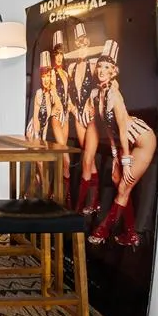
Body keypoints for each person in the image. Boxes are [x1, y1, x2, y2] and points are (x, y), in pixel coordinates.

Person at [85, 40, 156, 247]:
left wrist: (125, 162)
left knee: (124, 186)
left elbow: (123, 130)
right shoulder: (99, 94)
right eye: (100, 66)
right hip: (126, 143)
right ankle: (131, 234)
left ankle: (103, 230)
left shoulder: (115, 95)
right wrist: (116, 157)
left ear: (113, 71)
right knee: (120, 183)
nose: (101, 70)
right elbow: (110, 130)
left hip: (143, 140)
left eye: (107, 67)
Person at [67, 23, 100, 214]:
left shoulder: (94, 63)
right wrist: (72, 108)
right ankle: (94, 202)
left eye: (83, 40)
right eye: (78, 42)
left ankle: (80, 206)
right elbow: (69, 93)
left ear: (87, 41)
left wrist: (92, 100)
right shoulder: (71, 67)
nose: (81, 44)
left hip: (92, 117)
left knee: (87, 160)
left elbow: (102, 84)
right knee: (90, 160)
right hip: (78, 116)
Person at [26, 51, 63, 197]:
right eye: (43, 76)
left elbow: (58, 107)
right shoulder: (39, 93)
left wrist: (53, 89)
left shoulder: (52, 95)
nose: (45, 79)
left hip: (42, 132)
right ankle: (47, 191)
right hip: (33, 130)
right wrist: (37, 137)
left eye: (48, 76)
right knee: (41, 162)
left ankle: (28, 194)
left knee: (39, 166)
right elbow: (36, 117)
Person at [49, 30, 72, 207]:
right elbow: (52, 92)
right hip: (56, 115)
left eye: (61, 54)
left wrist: (70, 107)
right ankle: (64, 196)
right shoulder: (50, 73)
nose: (59, 57)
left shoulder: (66, 73)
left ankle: (59, 196)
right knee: (65, 157)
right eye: (56, 54)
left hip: (66, 115)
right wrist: (58, 104)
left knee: (62, 159)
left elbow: (69, 95)